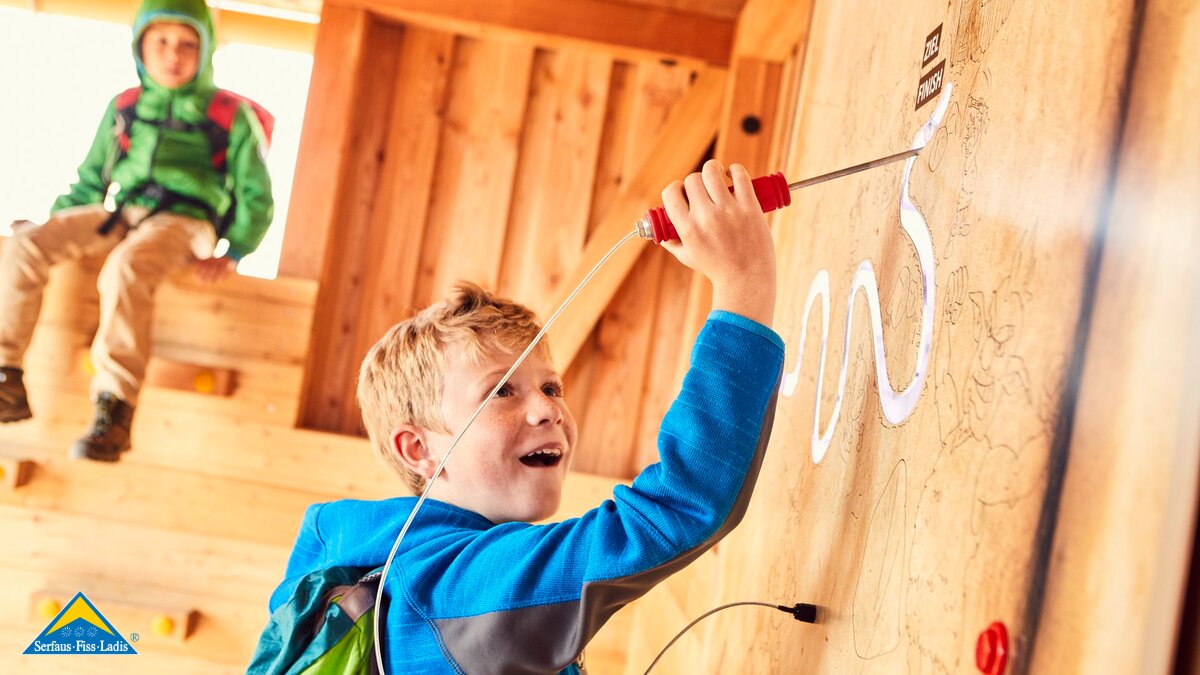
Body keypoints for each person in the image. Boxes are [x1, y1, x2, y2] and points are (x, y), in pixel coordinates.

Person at [265, 161, 781, 673]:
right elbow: (678, 506)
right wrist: (743, 283)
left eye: (551, 386)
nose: (549, 409)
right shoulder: (450, 593)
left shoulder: (392, 579)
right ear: (419, 449)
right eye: (501, 392)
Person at [0, 0, 273, 462]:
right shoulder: (124, 106)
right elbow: (91, 180)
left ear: (205, 49)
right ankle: (5, 376)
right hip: (122, 212)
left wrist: (235, 251)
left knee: (126, 268)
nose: (174, 54)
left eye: (188, 44)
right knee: (27, 243)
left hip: (188, 222)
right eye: (161, 42)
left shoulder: (230, 115)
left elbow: (255, 194)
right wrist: (55, 223)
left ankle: (115, 409)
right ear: (140, 46)